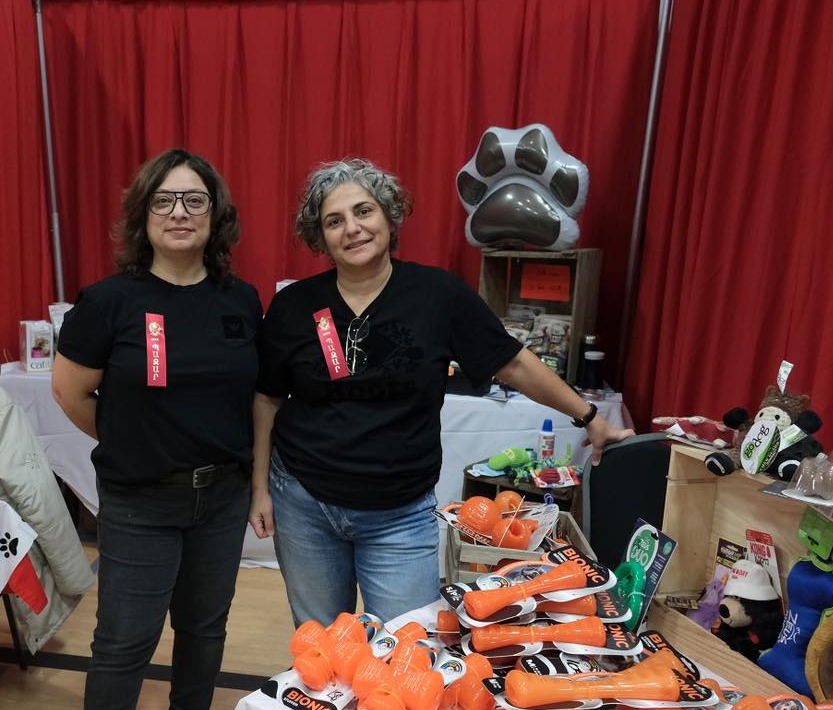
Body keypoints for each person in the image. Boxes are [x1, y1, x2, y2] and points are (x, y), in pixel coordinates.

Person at [249, 158, 630, 626]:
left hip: (399, 515)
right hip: (304, 503)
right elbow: (267, 397)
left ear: (388, 216)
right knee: (322, 645)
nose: (352, 228)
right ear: (321, 237)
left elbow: (512, 362)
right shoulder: (294, 305)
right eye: (334, 220)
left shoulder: (438, 295)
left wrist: (590, 417)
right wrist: (260, 489)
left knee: (408, 644)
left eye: (363, 211)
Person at [51, 148, 262, 710]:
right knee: (123, 641)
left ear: (215, 215)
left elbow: (254, 396)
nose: (179, 213)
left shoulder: (241, 301)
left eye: (194, 200)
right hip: (139, 498)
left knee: (203, 626)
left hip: (221, 496)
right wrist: (136, 441)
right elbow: (70, 393)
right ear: (142, 215)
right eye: (164, 201)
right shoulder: (108, 302)